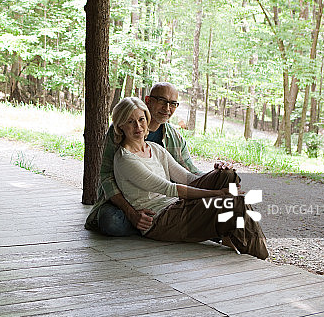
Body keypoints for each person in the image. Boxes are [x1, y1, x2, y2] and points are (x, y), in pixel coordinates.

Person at [108, 97, 268, 259]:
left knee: (226, 174)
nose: (138, 126)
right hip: (159, 220)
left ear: (146, 119)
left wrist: (215, 173)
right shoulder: (125, 159)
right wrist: (219, 194)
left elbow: (187, 178)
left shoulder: (155, 149)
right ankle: (261, 259)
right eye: (130, 122)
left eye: (141, 119)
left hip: (176, 205)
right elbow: (170, 188)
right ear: (120, 126)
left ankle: (230, 236)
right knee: (235, 204)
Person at [85, 82, 201, 236]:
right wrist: (131, 213)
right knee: (111, 221)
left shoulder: (173, 137)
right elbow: (106, 175)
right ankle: (149, 223)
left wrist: (217, 174)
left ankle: (151, 222)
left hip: (162, 199)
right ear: (148, 100)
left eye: (172, 104)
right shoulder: (118, 131)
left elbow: (189, 172)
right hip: (123, 200)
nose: (167, 108)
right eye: (162, 101)